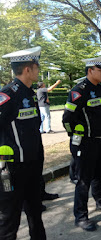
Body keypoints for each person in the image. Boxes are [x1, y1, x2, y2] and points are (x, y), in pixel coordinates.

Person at [62, 55, 101, 232]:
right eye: (100, 70)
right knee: (83, 180)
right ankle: (81, 216)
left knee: (99, 175)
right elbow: (67, 119)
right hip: (85, 143)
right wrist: (76, 138)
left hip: (100, 140)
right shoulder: (79, 91)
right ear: (90, 71)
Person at [0, 46, 46, 239]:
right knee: (10, 218)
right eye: (37, 67)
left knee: (35, 210)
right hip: (13, 167)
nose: (39, 70)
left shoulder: (30, 93)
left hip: (32, 164)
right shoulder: (8, 94)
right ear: (28, 69)